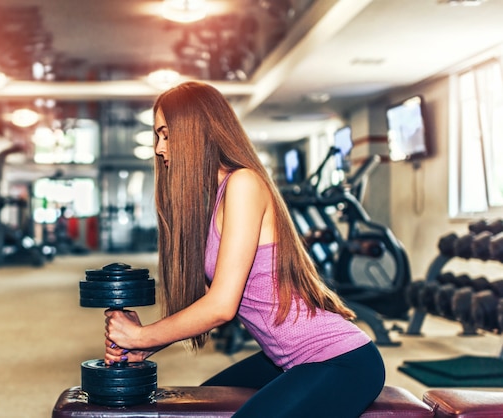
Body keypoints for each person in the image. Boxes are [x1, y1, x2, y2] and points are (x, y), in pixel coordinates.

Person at [104, 81, 385, 417]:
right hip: (284, 358)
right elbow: (211, 296)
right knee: (201, 407)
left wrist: (140, 336)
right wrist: (148, 345)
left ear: (194, 131)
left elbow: (222, 307)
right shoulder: (220, 195)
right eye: (157, 137)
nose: (160, 148)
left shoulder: (243, 183)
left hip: (339, 360)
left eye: (166, 134)